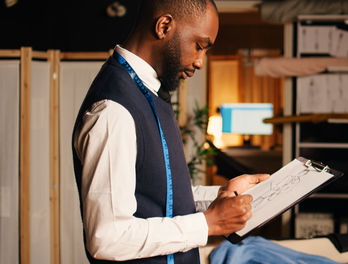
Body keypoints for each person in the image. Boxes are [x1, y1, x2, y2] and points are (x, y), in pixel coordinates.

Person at [72, 0, 269, 263]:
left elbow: (158, 196)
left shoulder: (149, 92)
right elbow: (108, 238)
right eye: (199, 46)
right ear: (164, 26)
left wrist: (222, 196)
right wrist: (209, 224)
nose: (200, 62)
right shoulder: (113, 111)